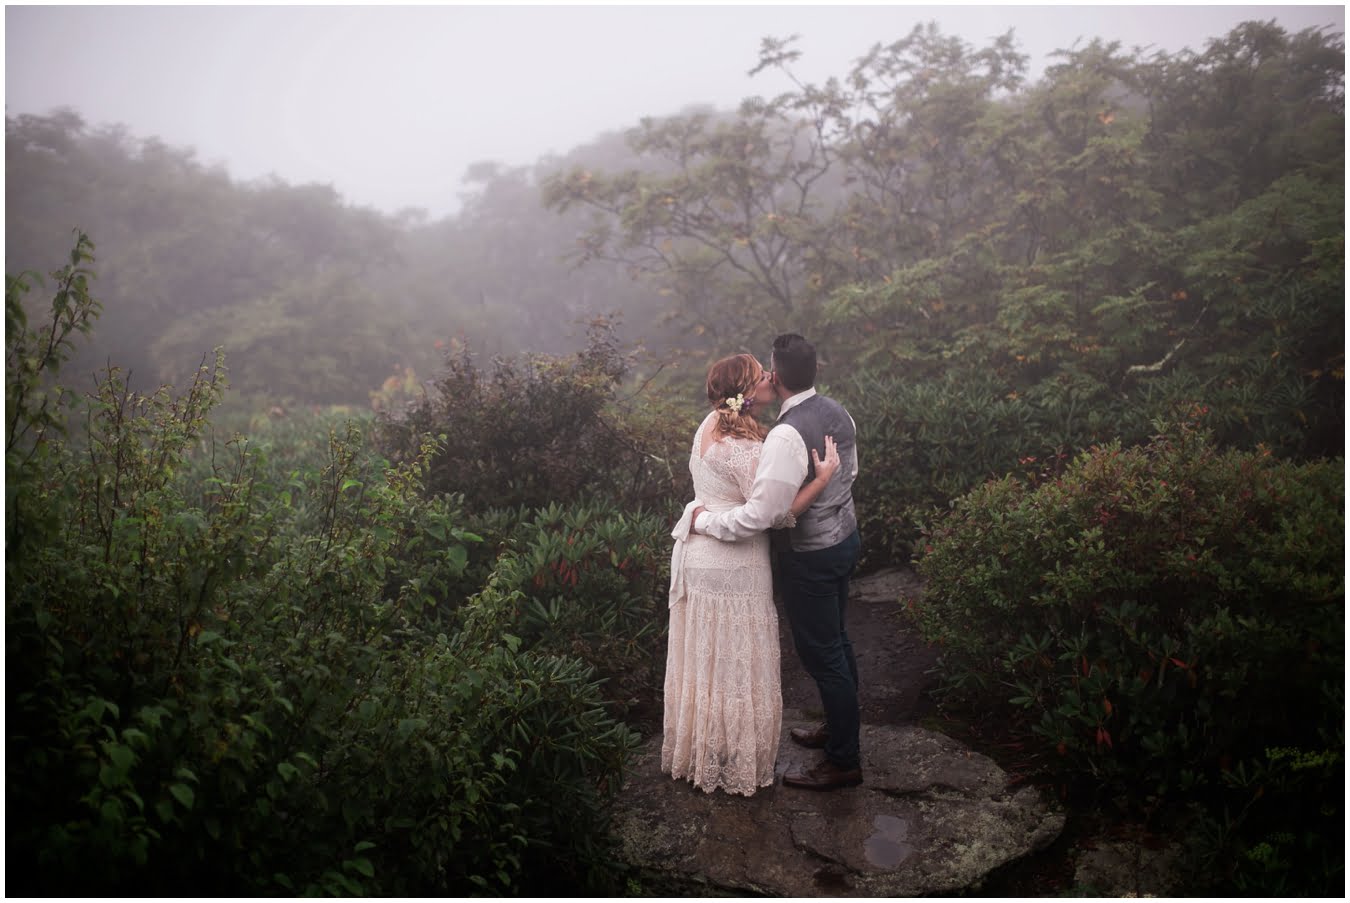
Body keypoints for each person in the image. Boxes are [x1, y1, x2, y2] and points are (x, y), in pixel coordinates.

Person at [663, 353, 842, 796]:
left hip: (696, 559)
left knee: (705, 662)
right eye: (762, 374)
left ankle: (702, 754)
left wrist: (702, 520)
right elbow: (772, 516)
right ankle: (737, 761)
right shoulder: (749, 450)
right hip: (734, 564)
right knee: (738, 663)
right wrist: (819, 482)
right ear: (748, 392)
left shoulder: (707, 426)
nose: (770, 377)